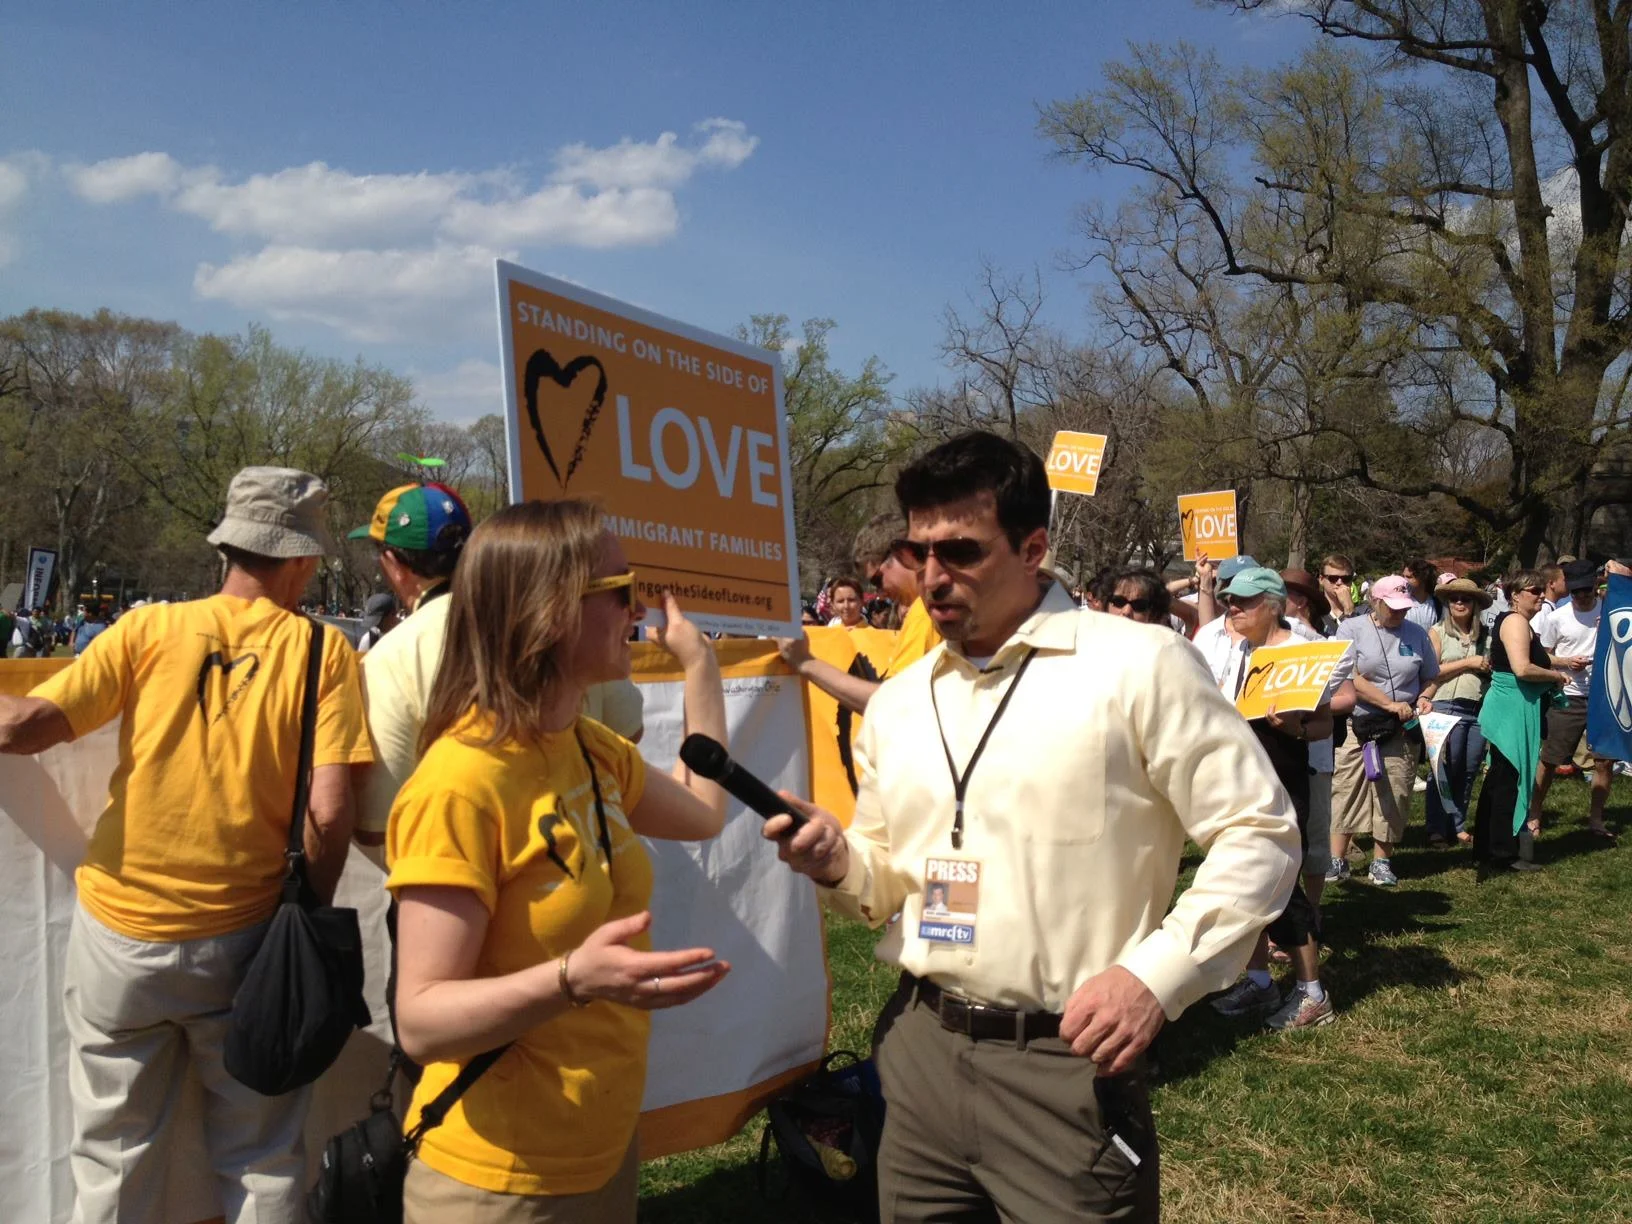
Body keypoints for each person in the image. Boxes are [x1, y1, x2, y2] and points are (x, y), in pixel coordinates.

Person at [763, 431, 1301, 1222]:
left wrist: (1155, 978)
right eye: (921, 552)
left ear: (1033, 547)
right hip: (916, 1050)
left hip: (1066, 1063)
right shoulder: (903, 704)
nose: (934, 577)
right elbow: (884, 878)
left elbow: (1259, 832)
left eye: (962, 552)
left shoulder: (1137, 665)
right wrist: (839, 860)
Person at [0, 466, 373, 1222]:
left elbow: (22, 728)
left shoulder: (146, 629)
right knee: (262, 1157)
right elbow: (330, 812)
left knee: (111, 1151)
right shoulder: (320, 652)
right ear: (302, 558)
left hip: (118, 934)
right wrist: (307, 912)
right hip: (245, 938)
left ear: (228, 549)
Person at [387, 499, 732, 1223]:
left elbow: (703, 812)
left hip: (600, 1155)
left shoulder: (586, 744)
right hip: (495, 1184)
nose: (637, 606)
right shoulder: (460, 784)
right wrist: (576, 978)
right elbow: (420, 1020)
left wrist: (699, 665)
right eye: (617, 589)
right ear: (549, 613)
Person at [1201, 568, 1353, 1030]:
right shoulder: (1241, 650)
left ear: (1273, 606)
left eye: (1244, 602)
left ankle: (1312, 995)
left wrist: (1295, 729)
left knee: (1281, 889)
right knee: (1248, 883)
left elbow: (1325, 724)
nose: (1233, 608)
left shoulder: (1301, 653)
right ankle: (1261, 982)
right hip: (1240, 781)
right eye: (1230, 600)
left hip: (1281, 784)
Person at [1326, 575, 1440, 887]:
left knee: (1395, 790)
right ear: (1375, 602)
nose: (1399, 613)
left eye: (1404, 607)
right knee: (1346, 788)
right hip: (1358, 723)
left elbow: (1431, 675)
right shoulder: (1351, 629)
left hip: (1401, 728)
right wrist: (1388, 703)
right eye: (1392, 607)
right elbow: (1348, 675)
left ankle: (1382, 861)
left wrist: (1425, 696)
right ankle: (1337, 858)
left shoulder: (1417, 634)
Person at [777, 513, 943, 713]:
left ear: (903, 553)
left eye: (877, 580)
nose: (880, 593)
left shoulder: (924, 613)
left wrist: (805, 662)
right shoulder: (930, 609)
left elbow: (892, 706)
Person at [1473, 571, 1569, 877]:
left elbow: (1532, 658)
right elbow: (1522, 667)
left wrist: (1564, 663)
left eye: (1542, 590)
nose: (1541, 594)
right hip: (1511, 709)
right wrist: (1556, 677)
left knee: (1501, 778)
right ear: (1515, 594)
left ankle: (1489, 848)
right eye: (1534, 590)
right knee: (1508, 782)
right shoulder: (1514, 622)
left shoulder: (1517, 622)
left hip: (1515, 707)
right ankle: (1502, 854)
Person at [1532, 559, 1617, 841]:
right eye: (1576, 592)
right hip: (1568, 696)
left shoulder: (1608, 609)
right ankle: (1534, 813)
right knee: (1550, 759)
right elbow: (1543, 655)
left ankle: (1596, 818)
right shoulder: (1557, 617)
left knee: (1604, 762)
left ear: (1596, 585)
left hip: (1603, 696)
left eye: (1587, 591)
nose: (1582, 597)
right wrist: (1566, 662)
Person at [1424, 579, 1493, 847]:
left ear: (1475, 604)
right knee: (1443, 769)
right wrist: (1469, 663)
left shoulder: (1486, 635)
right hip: (1445, 705)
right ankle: (1436, 827)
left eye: (1465, 598)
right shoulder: (1437, 632)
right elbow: (1431, 671)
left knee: (1468, 769)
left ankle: (1458, 825)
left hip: (1478, 707)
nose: (1460, 603)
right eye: (1454, 599)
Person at [1097, 567, 1174, 627]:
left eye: (1139, 605)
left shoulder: (1165, 646)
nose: (1126, 611)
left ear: (1155, 614)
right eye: (1119, 601)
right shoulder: (1088, 642)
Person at [1318, 554, 1358, 632]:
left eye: (1346, 579)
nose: (1339, 582)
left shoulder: (1364, 613)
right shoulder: (1313, 613)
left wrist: (1349, 610)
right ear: (1321, 580)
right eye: (1333, 578)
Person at [1402, 558, 1443, 632]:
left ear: (1422, 578)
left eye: (1409, 577)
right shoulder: (1400, 603)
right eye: (1403, 576)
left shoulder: (1438, 604)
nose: (1404, 580)